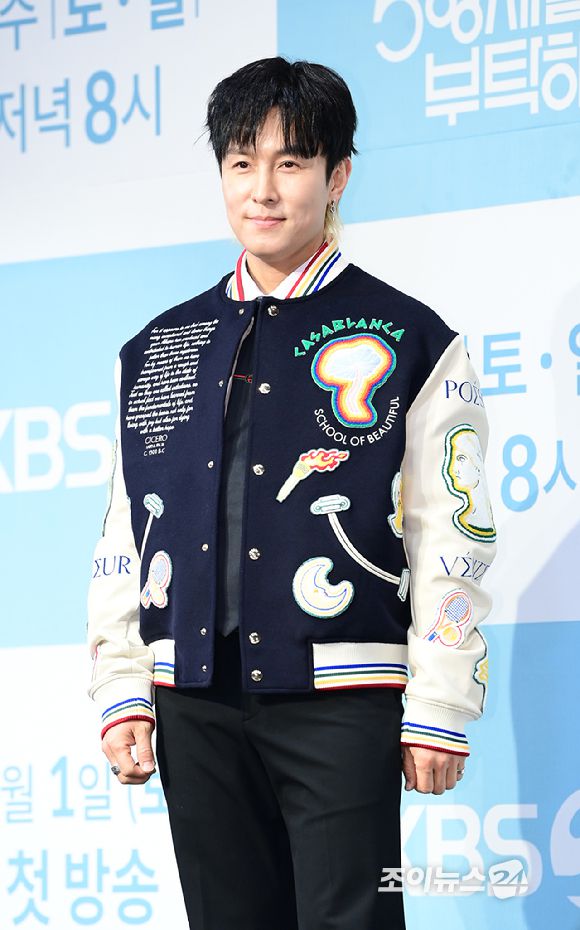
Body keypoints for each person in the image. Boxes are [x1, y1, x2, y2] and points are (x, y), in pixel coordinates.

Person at [87, 56, 497, 930]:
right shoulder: (158, 347)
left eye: (291, 162)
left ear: (336, 175)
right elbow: (127, 532)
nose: (263, 190)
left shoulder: (413, 338)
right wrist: (122, 688)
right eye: (242, 163)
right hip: (193, 700)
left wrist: (439, 702)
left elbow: (451, 533)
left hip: (343, 699)